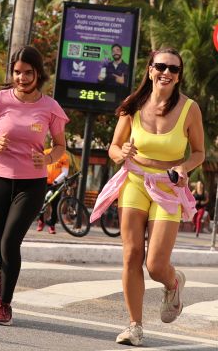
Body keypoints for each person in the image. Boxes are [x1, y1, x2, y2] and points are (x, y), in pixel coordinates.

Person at [90, 48, 204, 347]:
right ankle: (134, 326)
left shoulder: (189, 108)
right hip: (135, 181)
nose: (167, 72)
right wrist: (121, 152)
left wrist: (184, 166)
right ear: (150, 69)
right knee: (131, 255)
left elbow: (199, 153)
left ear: (179, 76)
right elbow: (114, 148)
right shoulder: (133, 106)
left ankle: (172, 282)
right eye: (161, 66)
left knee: (155, 264)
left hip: (168, 187)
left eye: (174, 69)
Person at [0, 45, 68, 326]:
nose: (21, 77)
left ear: (38, 73)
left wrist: (47, 157)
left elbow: (60, 146)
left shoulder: (50, 107)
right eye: (17, 72)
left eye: (27, 73)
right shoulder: (0, 99)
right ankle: (5, 281)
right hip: (0, 178)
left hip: (32, 183)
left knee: (10, 242)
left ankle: (3, 304)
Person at [37, 147, 70, 234]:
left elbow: (65, 173)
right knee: (42, 202)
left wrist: (56, 181)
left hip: (56, 184)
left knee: (55, 205)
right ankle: (41, 221)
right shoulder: (45, 152)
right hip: (44, 181)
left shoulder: (64, 156)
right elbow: (39, 166)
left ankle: (52, 225)